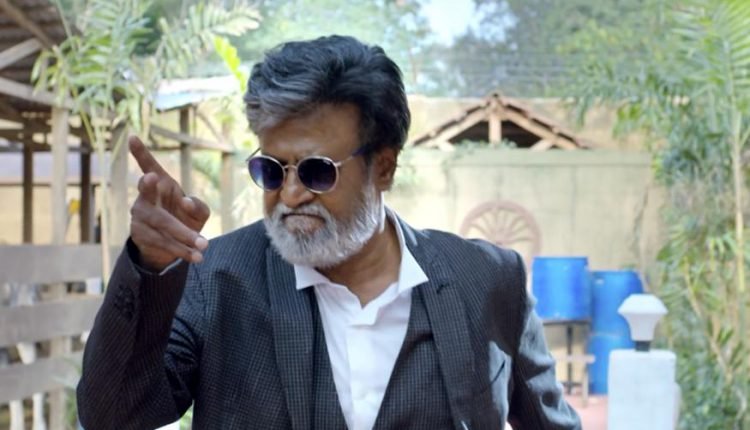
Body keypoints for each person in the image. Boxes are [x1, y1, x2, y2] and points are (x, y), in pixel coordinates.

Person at [76, 35, 581, 430]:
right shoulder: (216, 279)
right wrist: (150, 266)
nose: (291, 194)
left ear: (383, 168)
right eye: (271, 170)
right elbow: (113, 416)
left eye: (317, 171)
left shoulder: (486, 281)